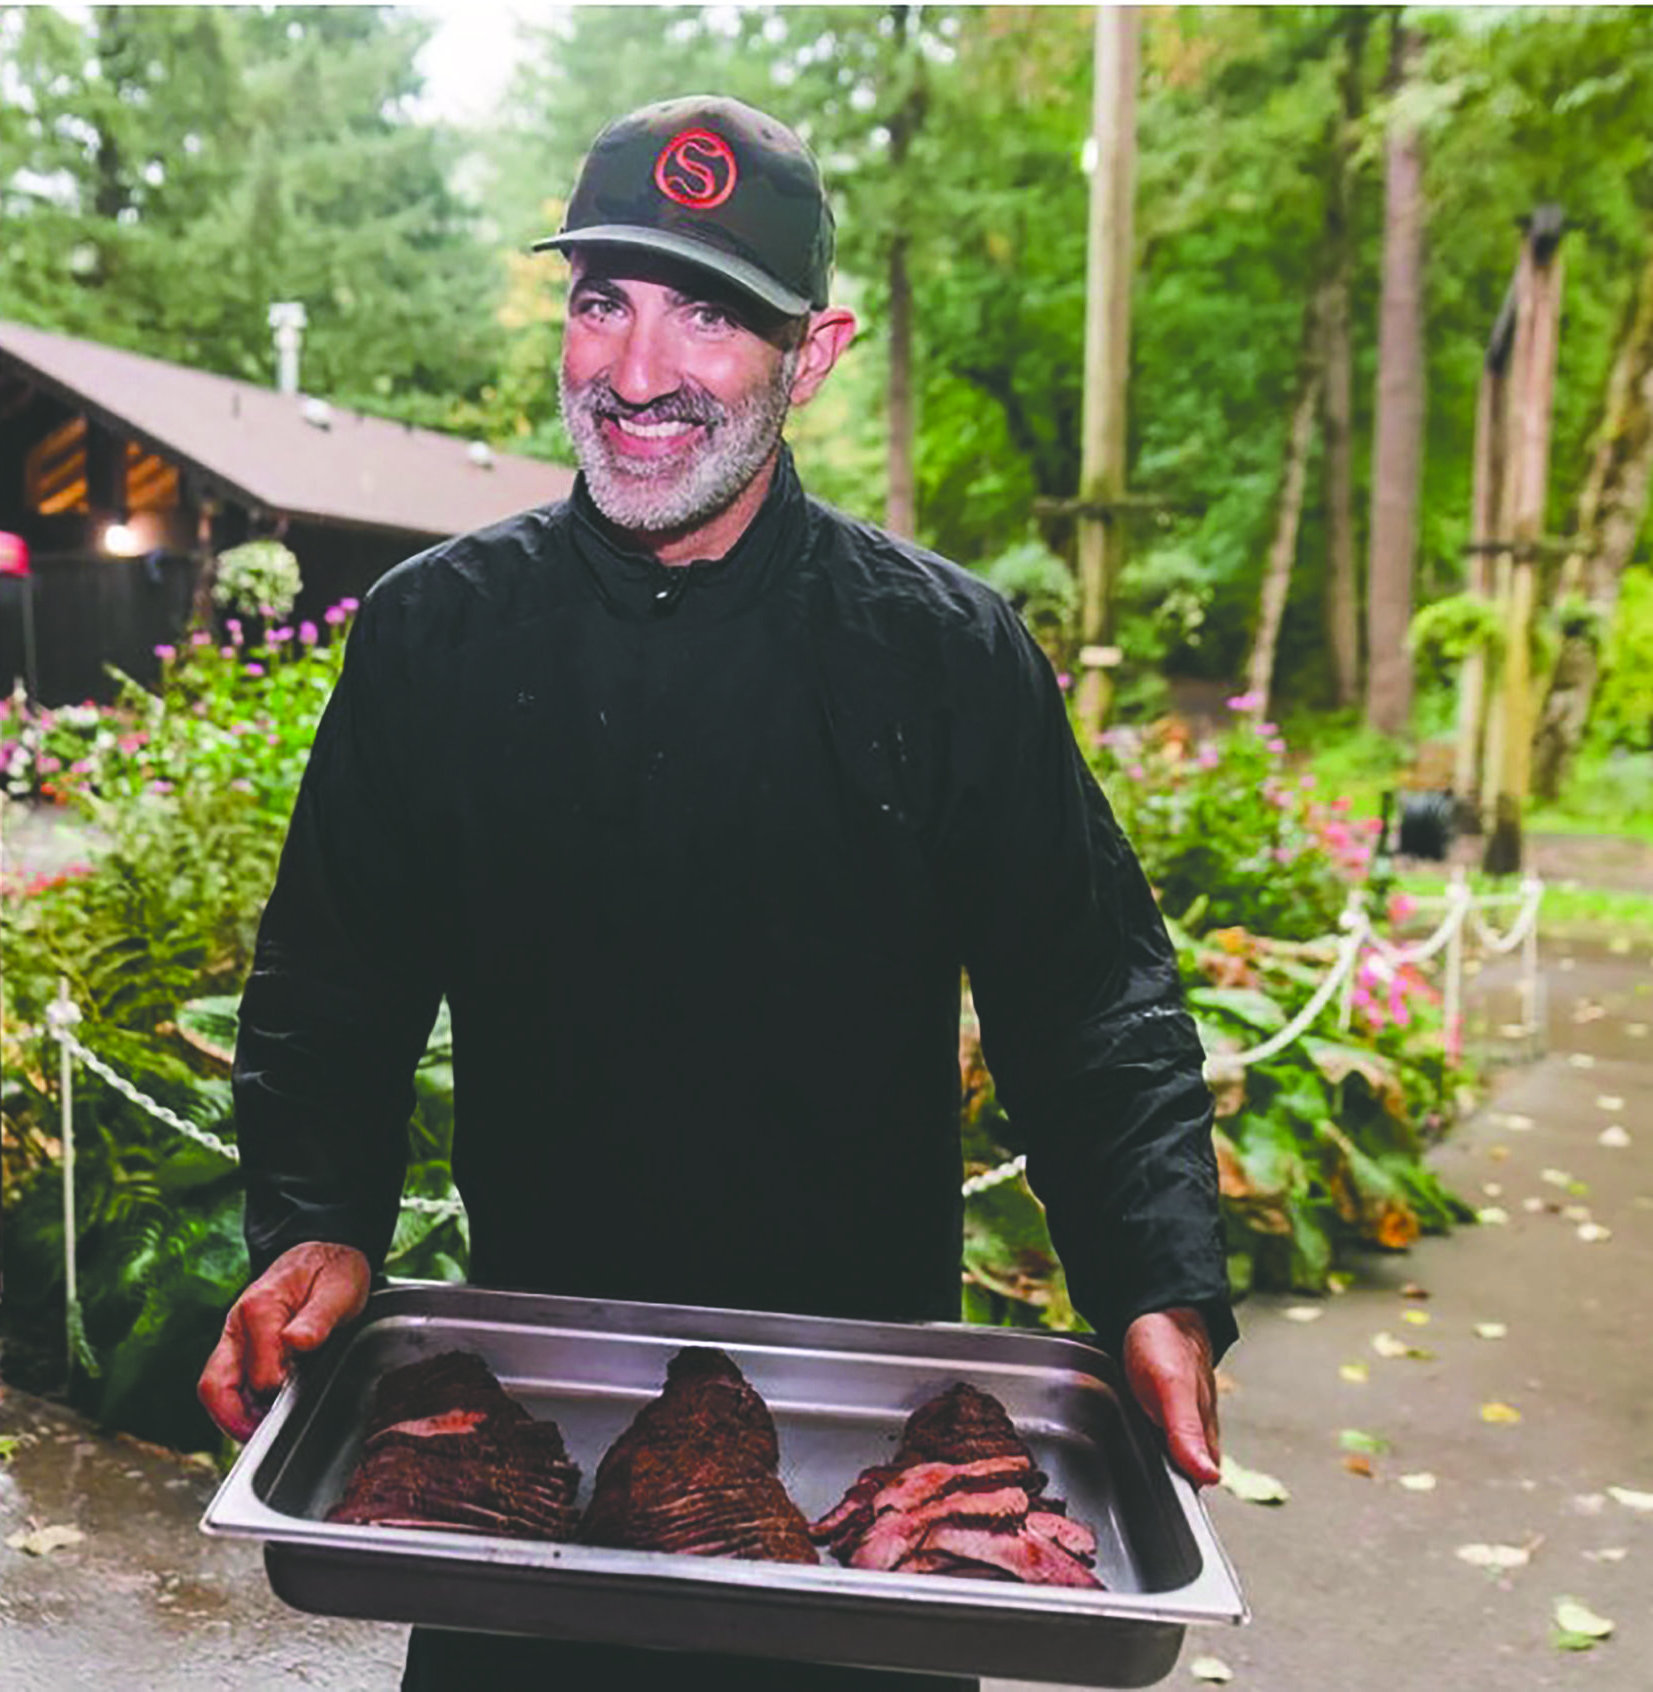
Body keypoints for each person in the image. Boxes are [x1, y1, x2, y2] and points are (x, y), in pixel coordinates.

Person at [199, 95, 1234, 1692]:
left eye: (709, 315)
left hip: (852, 1436)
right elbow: (335, 982)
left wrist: (1158, 1282)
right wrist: (317, 1219)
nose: (632, 371)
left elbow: (1089, 998)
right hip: (525, 1435)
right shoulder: (435, 642)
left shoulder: (944, 659)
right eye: (603, 299)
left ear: (810, 359)